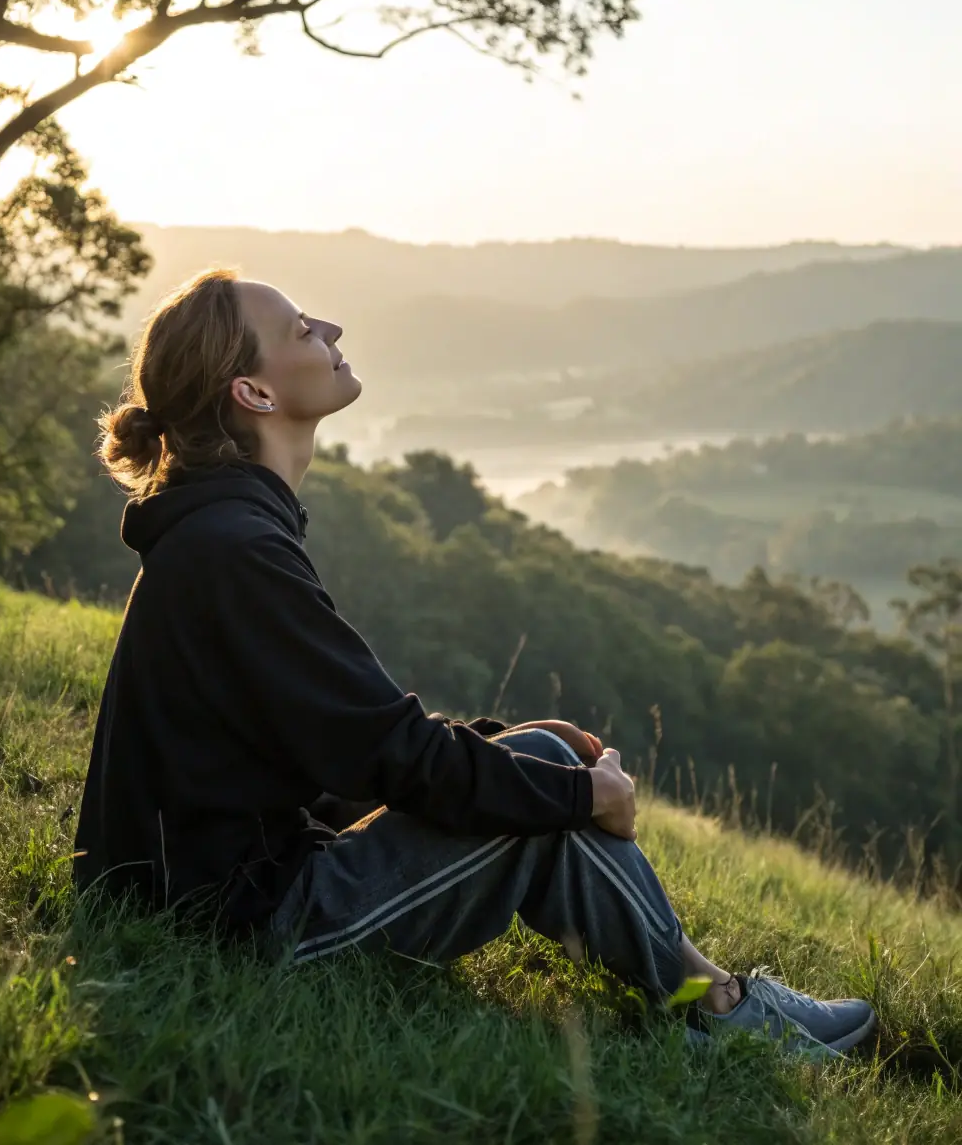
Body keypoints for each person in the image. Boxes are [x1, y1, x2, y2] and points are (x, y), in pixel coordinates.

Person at [74, 268, 874, 1058]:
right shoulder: (238, 552)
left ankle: (713, 998)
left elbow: (333, 746)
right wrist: (577, 790)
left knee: (539, 764)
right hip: (240, 929)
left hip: (231, 892)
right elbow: (392, 754)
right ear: (253, 393)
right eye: (302, 329)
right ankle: (719, 1008)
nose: (332, 332)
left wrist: (517, 749)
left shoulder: (227, 535)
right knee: (545, 784)